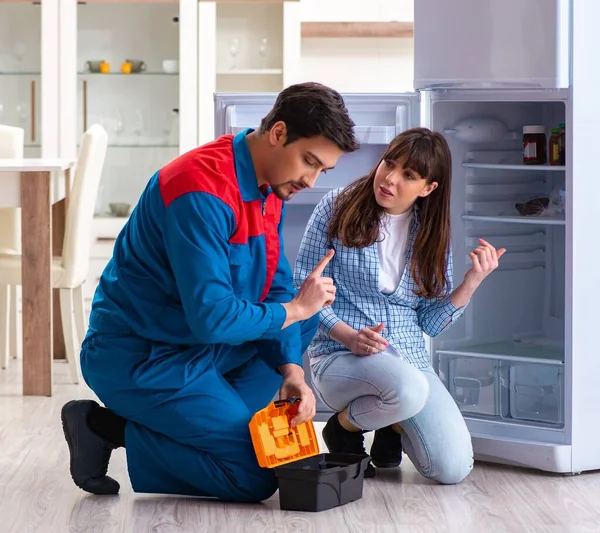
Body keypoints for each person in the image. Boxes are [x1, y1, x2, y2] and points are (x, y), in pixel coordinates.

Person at [60, 82, 359, 502]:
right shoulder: (199, 189)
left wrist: (293, 373)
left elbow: (274, 285)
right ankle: (105, 428)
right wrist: (293, 309)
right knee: (255, 476)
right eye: (309, 162)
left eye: (321, 171)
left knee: (301, 323)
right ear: (277, 133)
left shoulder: (271, 184)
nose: (310, 180)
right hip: (144, 356)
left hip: (200, 347)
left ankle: (202, 423)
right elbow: (214, 317)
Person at [294, 127, 506, 483]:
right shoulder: (336, 205)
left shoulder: (432, 233)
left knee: (451, 469)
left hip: (408, 363)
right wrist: (347, 336)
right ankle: (343, 429)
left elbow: (431, 323)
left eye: (408, 175)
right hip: (338, 356)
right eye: (389, 164)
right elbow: (304, 288)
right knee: (408, 390)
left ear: (428, 188)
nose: (389, 179)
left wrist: (471, 282)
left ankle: (391, 426)